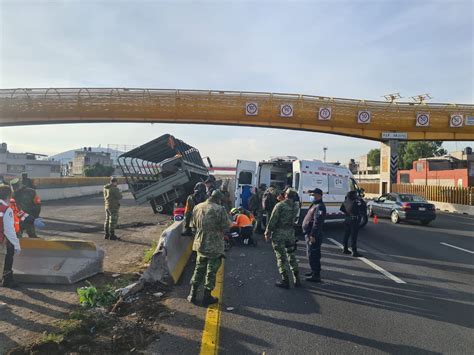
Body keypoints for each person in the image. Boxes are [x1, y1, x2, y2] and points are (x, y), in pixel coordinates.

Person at [187, 190, 229, 305]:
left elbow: (193, 226)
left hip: (200, 243)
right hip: (214, 245)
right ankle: (206, 297)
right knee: (211, 271)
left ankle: (192, 294)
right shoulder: (220, 209)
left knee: (199, 268)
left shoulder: (197, 207)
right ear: (218, 199)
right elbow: (226, 227)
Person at [264, 188, 300, 289]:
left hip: (279, 234)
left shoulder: (279, 206)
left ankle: (285, 280)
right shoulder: (296, 206)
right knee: (291, 255)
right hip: (290, 233)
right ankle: (297, 279)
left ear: (285, 195)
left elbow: (273, 220)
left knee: (281, 257)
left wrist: (267, 232)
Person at [302, 188, 326, 282]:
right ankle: (314, 271)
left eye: (313, 194)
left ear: (319, 195)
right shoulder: (314, 204)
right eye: (311, 194)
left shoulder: (320, 207)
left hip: (314, 235)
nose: (311, 196)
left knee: (314, 254)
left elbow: (317, 223)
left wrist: (313, 235)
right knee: (311, 254)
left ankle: (316, 275)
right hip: (309, 233)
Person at [0, 185, 22, 288]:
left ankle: (8, 279)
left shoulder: (11, 206)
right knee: (7, 260)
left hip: (6, 238)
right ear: (9, 196)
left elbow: (20, 214)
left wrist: (31, 219)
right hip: (5, 240)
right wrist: (17, 245)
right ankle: (7, 279)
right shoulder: (6, 209)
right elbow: (9, 230)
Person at [340, 190, 363, 257]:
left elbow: (341, 209)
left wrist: (348, 213)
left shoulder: (346, 201)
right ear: (353, 195)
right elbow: (362, 207)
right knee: (354, 236)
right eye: (355, 194)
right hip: (354, 220)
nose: (356, 195)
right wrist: (360, 199)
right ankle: (354, 251)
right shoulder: (356, 202)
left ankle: (345, 248)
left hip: (347, 219)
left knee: (346, 234)